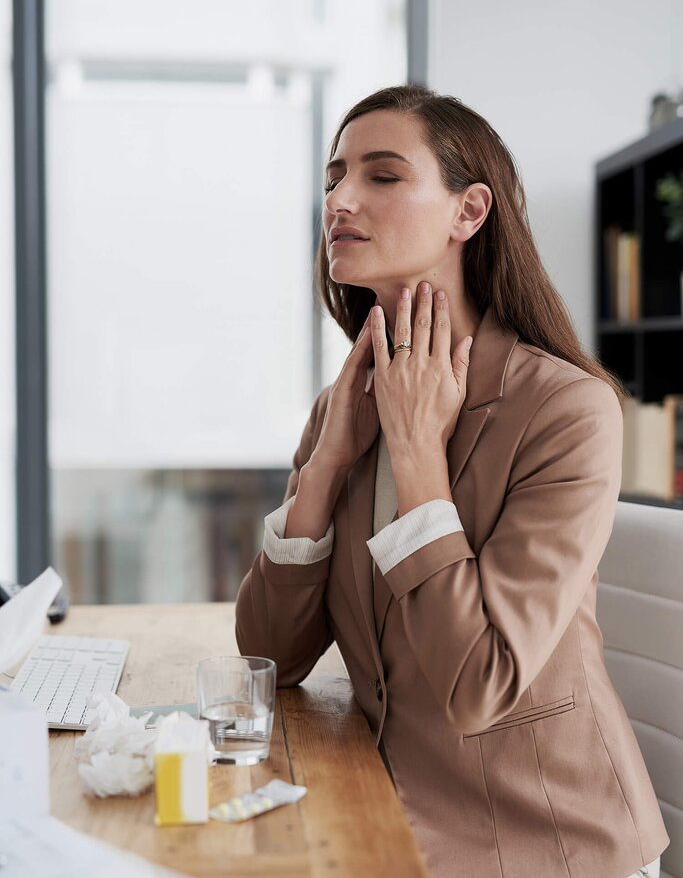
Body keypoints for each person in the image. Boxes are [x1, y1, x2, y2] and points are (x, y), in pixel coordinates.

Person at [235, 84, 669, 878]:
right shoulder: (346, 401)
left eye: (382, 175)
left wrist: (416, 458)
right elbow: (269, 652)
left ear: (468, 212)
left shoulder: (566, 409)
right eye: (335, 176)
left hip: (547, 846)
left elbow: (481, 684)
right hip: (387, 819)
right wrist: (328, 465)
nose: (340, 198)